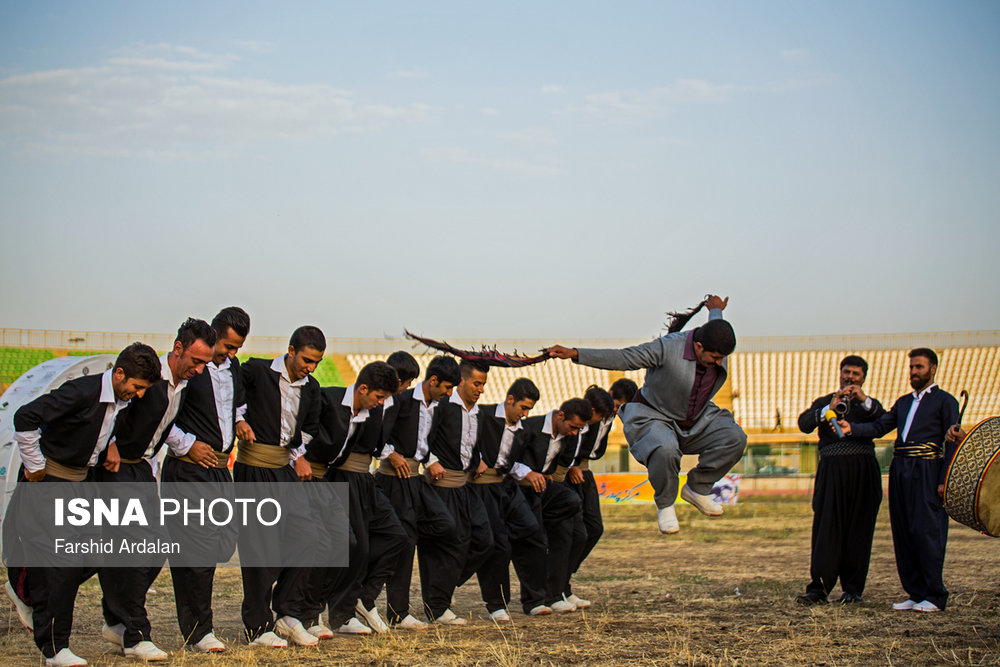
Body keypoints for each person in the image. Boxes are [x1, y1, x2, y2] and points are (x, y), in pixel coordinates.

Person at [7, 343, 160, 667]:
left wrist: (112, 446)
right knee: (62, 566)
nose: (139, 394)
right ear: (119, 374)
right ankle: (54, 649)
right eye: (137, 387)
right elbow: (25, 416)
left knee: (99, 552)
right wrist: (34, 464)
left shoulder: (119, 399)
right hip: (51, 485)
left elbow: (96, 429)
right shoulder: (80, 391)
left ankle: (28, 588)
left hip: (83, 484)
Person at [547, 295, 746, 535]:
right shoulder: (667, 348)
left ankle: (697, 488)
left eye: (723, 357)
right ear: (699, 346)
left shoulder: (713, 342)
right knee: (665, 447)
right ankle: (666, 505)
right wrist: (577, 353)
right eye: (715, 358)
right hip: (655, 417)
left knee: (735, 437)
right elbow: (624, 358)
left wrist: (715, 311)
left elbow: (715, 325)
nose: (719, 362)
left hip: (698, 418)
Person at [96, 318, 216, 661]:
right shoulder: (150, 375)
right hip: (118, 467)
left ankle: (116, 620)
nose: (199, 369)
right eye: (195, 360)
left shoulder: (186, 384)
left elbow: (167, 425)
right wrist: (111, 444)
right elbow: (114, 407)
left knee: (153, 549)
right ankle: (135, 636)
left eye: (205, 363)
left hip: (145, 470)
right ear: (178, 349)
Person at [841, 348, 959, 613]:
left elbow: (952, 442)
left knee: (927, 531)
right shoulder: (904, 402)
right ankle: (915, 593)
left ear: (933, 369)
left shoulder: (945, 401)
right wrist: (853, 429)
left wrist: (945, 479)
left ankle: (935, 595)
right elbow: (880, 426)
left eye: (919, 367)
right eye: (911, 368)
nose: (914, 372)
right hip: (900, 468)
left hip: (928, 468)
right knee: (903, 530)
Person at [162, 306, 251, 653]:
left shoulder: (234, 367)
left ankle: (192, 619)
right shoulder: (188, 369)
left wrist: (240, 421)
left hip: (219, 469)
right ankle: (199, 630)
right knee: (197, 552)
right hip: (188, 469)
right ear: (213, 336)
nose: (230, 354)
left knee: (222, 542)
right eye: (227, 347)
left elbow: (236, 403)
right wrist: (188, 445)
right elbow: (162, 416)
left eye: (236, 349)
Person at [233, 326, 324, 647]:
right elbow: (232, 397)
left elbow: (309, 428)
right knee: (261, 547)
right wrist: (239, 421)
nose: (310, 368)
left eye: (317, 362)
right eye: (307, 360)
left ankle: (287, 613)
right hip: (253, 469)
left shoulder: (311, 387)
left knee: (308, 536)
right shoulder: (256, 370)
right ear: (291, 350)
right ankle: (258, 627)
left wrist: (299, 455)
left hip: (286, 469)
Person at [301, 361, 407, 637]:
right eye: (379, 397)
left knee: (395, 535)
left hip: (363, 479)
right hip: (334, 478)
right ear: (363, 388)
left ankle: (359, 600)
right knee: (349, 546)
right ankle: (324, 613)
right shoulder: (331, 400)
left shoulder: (373, 407)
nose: (381, 403)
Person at [374, 356, 461, 630]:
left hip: (417, 479)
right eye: (447, 388)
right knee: (404, 542)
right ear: (432, 381)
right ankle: (397, 613)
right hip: (395, 480)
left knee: (446, 526)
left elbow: (426, 443)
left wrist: (432, 459)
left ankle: (437, 600)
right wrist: (392, 455)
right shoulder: (400, 400)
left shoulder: (439, 406)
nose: (449, 394)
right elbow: (379, 435)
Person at [794, 355, 885, 605]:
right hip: (831, 470)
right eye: (847, 372)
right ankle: (818, 589)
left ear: (863, 378)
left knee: (860, 529)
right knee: (826, 528)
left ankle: (853, 590)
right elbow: (803, 423)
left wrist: (863, 399)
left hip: (863, 471)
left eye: (856, 374)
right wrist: (828, 409)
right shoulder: (825, 402)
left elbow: (884, 421)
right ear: (840, 373)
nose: (850, 378)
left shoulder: (869, 406)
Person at [418, 359, 495, 625]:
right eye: (476, 383)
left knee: (484, 541)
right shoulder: (442, 408)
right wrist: (430, 461)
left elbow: (472, 446)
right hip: (440, 487)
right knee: (443, 545)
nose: (481, 389)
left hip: (465, 487)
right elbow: (422, 438)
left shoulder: (480, 413)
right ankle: (437, 607)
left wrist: (480, 458)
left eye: (484, 384)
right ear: (461, 381)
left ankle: (444, 587)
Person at [471, 378, 552, 621]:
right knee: (499, 545)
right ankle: (497, 605)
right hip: (482, 488)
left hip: (507, 486)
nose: (525, 414)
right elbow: (461, 441)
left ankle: (535, 600)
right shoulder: (481, 414)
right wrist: (476, 459)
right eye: (523, 408)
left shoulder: (522, 430)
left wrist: (527, 471)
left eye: (529, 410)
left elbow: (509, 461)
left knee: (532, 533)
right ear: (509, 400)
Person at [516, 398, 592, 612]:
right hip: (519, 489)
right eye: (573, 427)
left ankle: (555, 594)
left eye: (580, 429)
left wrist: (546, 474)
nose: (575, 433)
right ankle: (533, 601)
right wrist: (528, 473)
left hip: (543, 489)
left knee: (569, 520)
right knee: (534, 540)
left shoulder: (568, 436)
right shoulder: (530, 427)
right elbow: (506, 458)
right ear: (560, 416)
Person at [559, 384, 617, 608]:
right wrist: (572, 466)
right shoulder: (575, 423)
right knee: (574, 533)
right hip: (568, 476)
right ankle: (559, 586)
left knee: (593, 528)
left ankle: (564, 579)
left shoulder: (603, 420)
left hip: (584, 473)